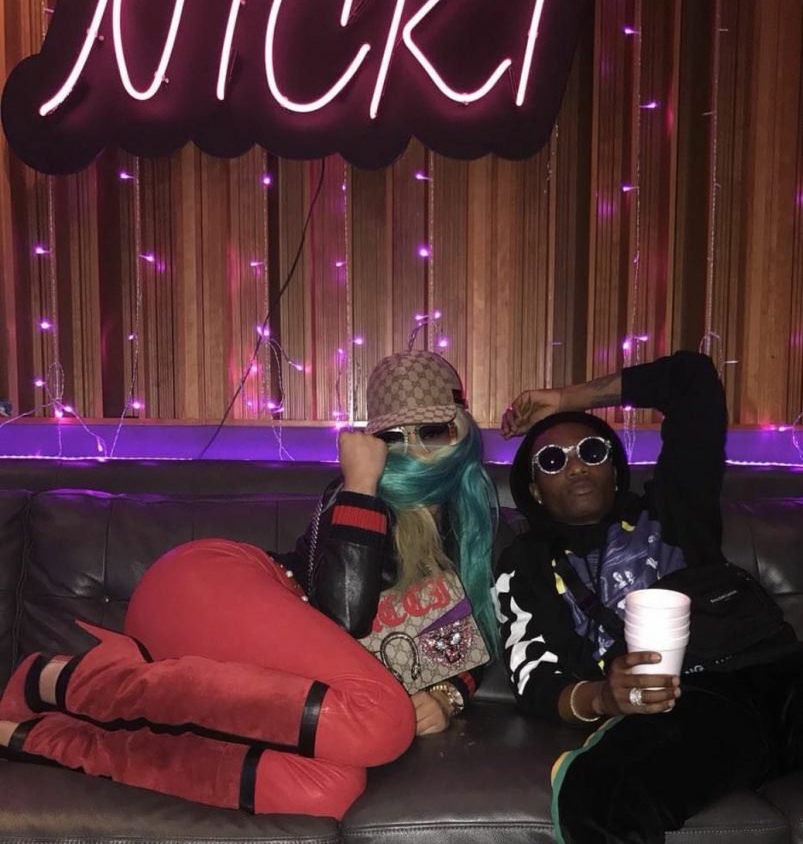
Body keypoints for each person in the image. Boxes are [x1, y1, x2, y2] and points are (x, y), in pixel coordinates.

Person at [0, 350, 498, 817]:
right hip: (207, 589)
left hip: (240, 680)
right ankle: (70, 680)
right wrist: (362, 487)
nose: (415, 450)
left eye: (432, 431)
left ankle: (56, 735)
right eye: (392, 438)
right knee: (385, 722)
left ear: (461, 430)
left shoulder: (468, 526)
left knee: (330, 788)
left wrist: (447, 696)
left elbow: (474, 636)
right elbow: (343, 617)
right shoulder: (354, 499)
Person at [495, 351, 803, 844]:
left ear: (614, 470)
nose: (575, 467)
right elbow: (534, 680)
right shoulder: (526, 562)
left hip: (785, 675)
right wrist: (602, 697)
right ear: (533, 487)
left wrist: (564, 398)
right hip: (687, 708)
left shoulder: (675, 508)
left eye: (591, 451)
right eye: (553, 460)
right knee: (596, 795)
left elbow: (692, 380)